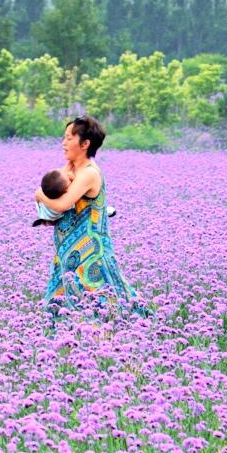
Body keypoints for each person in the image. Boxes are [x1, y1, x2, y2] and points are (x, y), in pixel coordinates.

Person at [35, 116, 138, 319]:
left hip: (90, 256)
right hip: (67, 256)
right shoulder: (69, 170)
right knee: (64, 312)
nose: (63, 143)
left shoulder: (88, 173)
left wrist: (39, 195)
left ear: (85, 144)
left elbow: (63, 203)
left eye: (68, 138)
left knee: (98, 311)